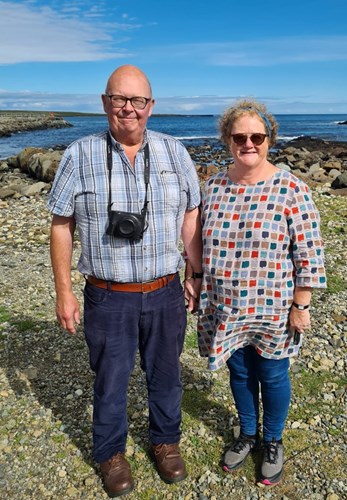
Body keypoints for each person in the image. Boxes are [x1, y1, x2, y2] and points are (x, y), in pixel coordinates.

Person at [47, 64, 202, 498]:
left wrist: (195, 271)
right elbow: (62, 223)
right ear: (104, 103)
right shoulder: (79, 154)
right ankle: (111, 452)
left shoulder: (175, 152)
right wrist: (64, 292)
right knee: (110, 379)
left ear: (151, 106)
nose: (128, 109)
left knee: (167, 374)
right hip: (107, 294)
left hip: (164, 290)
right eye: (119, 99)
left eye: (137, 100)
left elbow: (191, 212)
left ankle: (165, 441)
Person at [196, 99, 326, 486]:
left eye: (257, 136)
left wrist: (301, 305)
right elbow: (198, 242)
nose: (248, 143)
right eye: (240, 136)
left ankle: (272, 440)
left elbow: (309, 254)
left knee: (271, 375)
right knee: (238, 374)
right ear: (227, 139)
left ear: (270, 139)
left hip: (273, 307)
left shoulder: (291, 189)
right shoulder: (214, 186)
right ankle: (247, 433)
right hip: (226, 306)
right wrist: (195, 279)